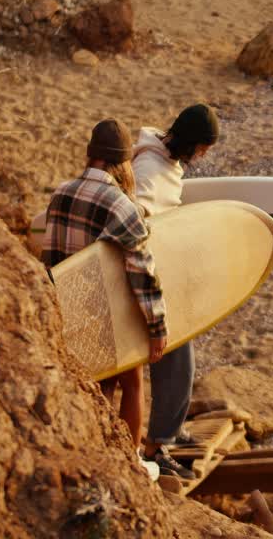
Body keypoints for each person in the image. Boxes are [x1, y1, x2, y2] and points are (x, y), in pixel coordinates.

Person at [41, 119, 166, 460]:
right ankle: (129, 461)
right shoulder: (121, 207)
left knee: (99, 386)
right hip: (105, 315)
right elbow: (143, 274)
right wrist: (157, 329)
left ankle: (95, 451)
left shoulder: (61, 193)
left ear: (90, 155)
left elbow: (49, 258)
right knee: (133, 380)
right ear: (123, 162)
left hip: (65, 312)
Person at [132, 104, 220, 479]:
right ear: (190, 142)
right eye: (203, 148)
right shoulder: (149, 171)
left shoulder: (166, 162)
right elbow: (135, 226)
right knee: (177, 358)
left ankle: (168, 431)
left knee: (183, 357)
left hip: (163, 277)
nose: (203, 155)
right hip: (143, 281)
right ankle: (156, 447)